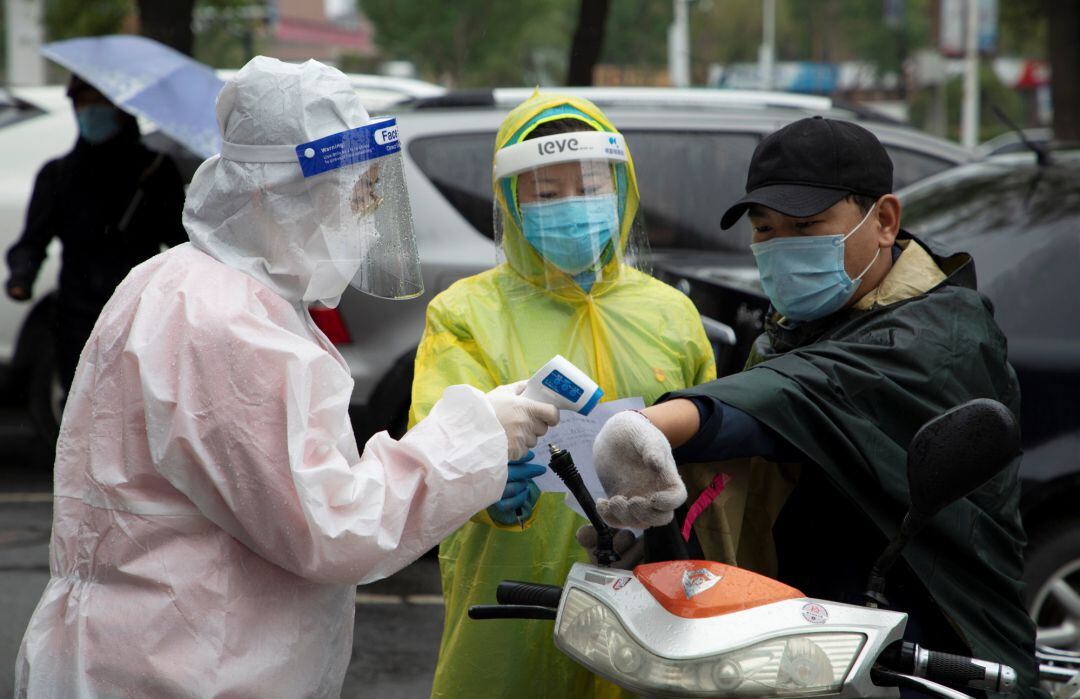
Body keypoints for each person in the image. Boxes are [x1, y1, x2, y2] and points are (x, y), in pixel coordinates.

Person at [15, 57, 561, 699]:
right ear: (271, 192)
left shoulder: (183, 283)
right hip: (184, 670)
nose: (366, 215)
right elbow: (334, 526)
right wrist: (478, 436)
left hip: (148, 651)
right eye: (353, 193)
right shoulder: (225, 323)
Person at [590, 116, 1041, 696]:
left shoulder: (942, 335)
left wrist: (652, 424)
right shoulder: (792, 330)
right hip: (813, 649)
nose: (780, 246)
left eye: (806, 224)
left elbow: (793, 396)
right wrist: (659, 533)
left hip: (937, 656)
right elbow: (758, 464)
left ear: (883, 221)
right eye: (765, 229)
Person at [410, 92, 716, 698]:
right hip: (510, 591)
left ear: (622, 191)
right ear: (511, 204)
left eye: (591, 186)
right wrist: (482, 488)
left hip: (650, 591)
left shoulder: (669, 313)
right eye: (546, 194)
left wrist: (677, 508)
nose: (573, 208)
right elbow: (433, 443)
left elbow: (713, 451)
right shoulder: (465, 313)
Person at [5, 75, 187, 392]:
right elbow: (32, 241)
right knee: (81, 399)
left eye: (99, 102)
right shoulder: (58, 174)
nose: (90, 111)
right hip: (75, 311)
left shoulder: (154, 170)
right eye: (83, 103)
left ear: (120, 109)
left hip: (137, 308)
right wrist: (22, 277)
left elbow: (179, 239)